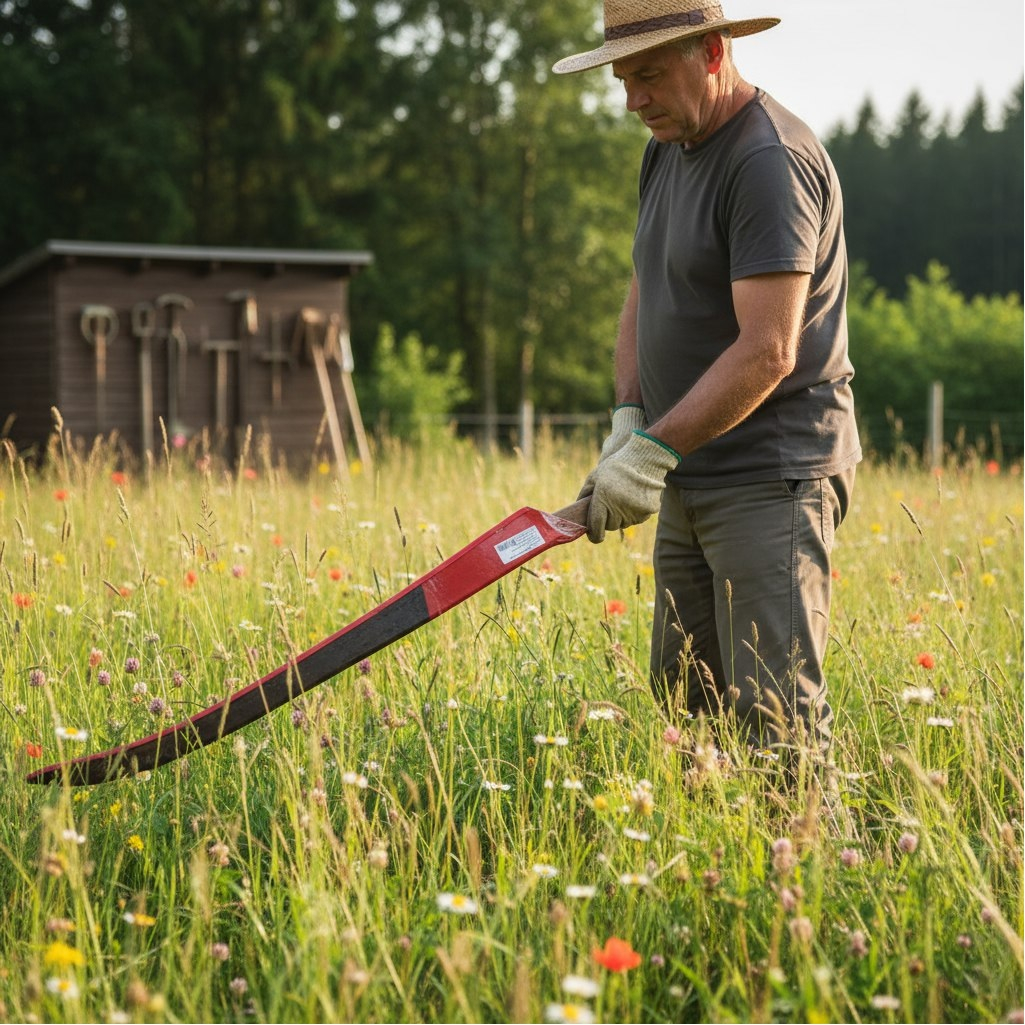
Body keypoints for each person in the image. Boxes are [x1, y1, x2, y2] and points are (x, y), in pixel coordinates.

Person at [555, 1, 861, 762]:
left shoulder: (765, 161)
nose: (633, 100)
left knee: (775, 714)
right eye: (623, 79)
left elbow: (767, 350)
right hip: (687, 466)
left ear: (713, 51)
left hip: (769, 475)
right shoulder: (666, 146)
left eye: (649, 75)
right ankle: (718, 871)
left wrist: (652, 451)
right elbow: (644, 284)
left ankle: (809, 872)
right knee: (687, 700)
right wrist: (630, 416)